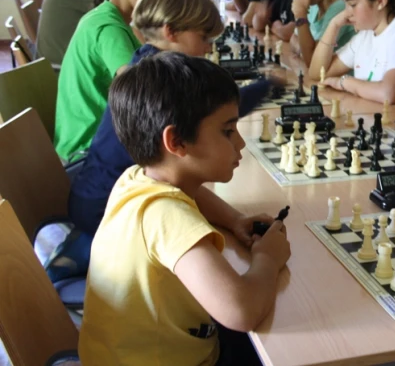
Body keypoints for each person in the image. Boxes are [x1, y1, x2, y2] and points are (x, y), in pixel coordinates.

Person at [47, 0, 283, 281]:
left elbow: (183, 183)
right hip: (104, 208)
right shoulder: (167, 88)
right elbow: (226, 105)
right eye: (203, 37)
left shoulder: (144, 68)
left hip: (91, 194)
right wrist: (270, 85)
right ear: (171, 32)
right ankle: (85, 252)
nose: (209, 47)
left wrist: (235, 219)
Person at [78, 52, 290, 365]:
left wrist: (235, 219)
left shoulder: (138, 177)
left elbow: (193, 195)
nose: (240, 143)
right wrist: (268, 258)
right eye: (228, 131)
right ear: (177, 141)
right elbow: (240, 311)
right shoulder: (167, 216)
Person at [53, 0, 170, 161]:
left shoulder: (108, 17)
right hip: (87, 153)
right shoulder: (108, 28)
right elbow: (141, 90)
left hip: (94, 144)